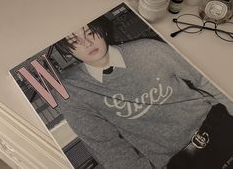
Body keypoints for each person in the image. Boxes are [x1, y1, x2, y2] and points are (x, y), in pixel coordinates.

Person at [54, 15, 233, 169]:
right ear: (66, 52)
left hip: (219, 123)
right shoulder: (74, 92)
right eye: (74, 41)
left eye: (90, 32)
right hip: (180, 161)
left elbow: (204, 79)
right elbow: (107, 148)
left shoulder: (148, 49)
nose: (87, 42)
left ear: (103, 29)